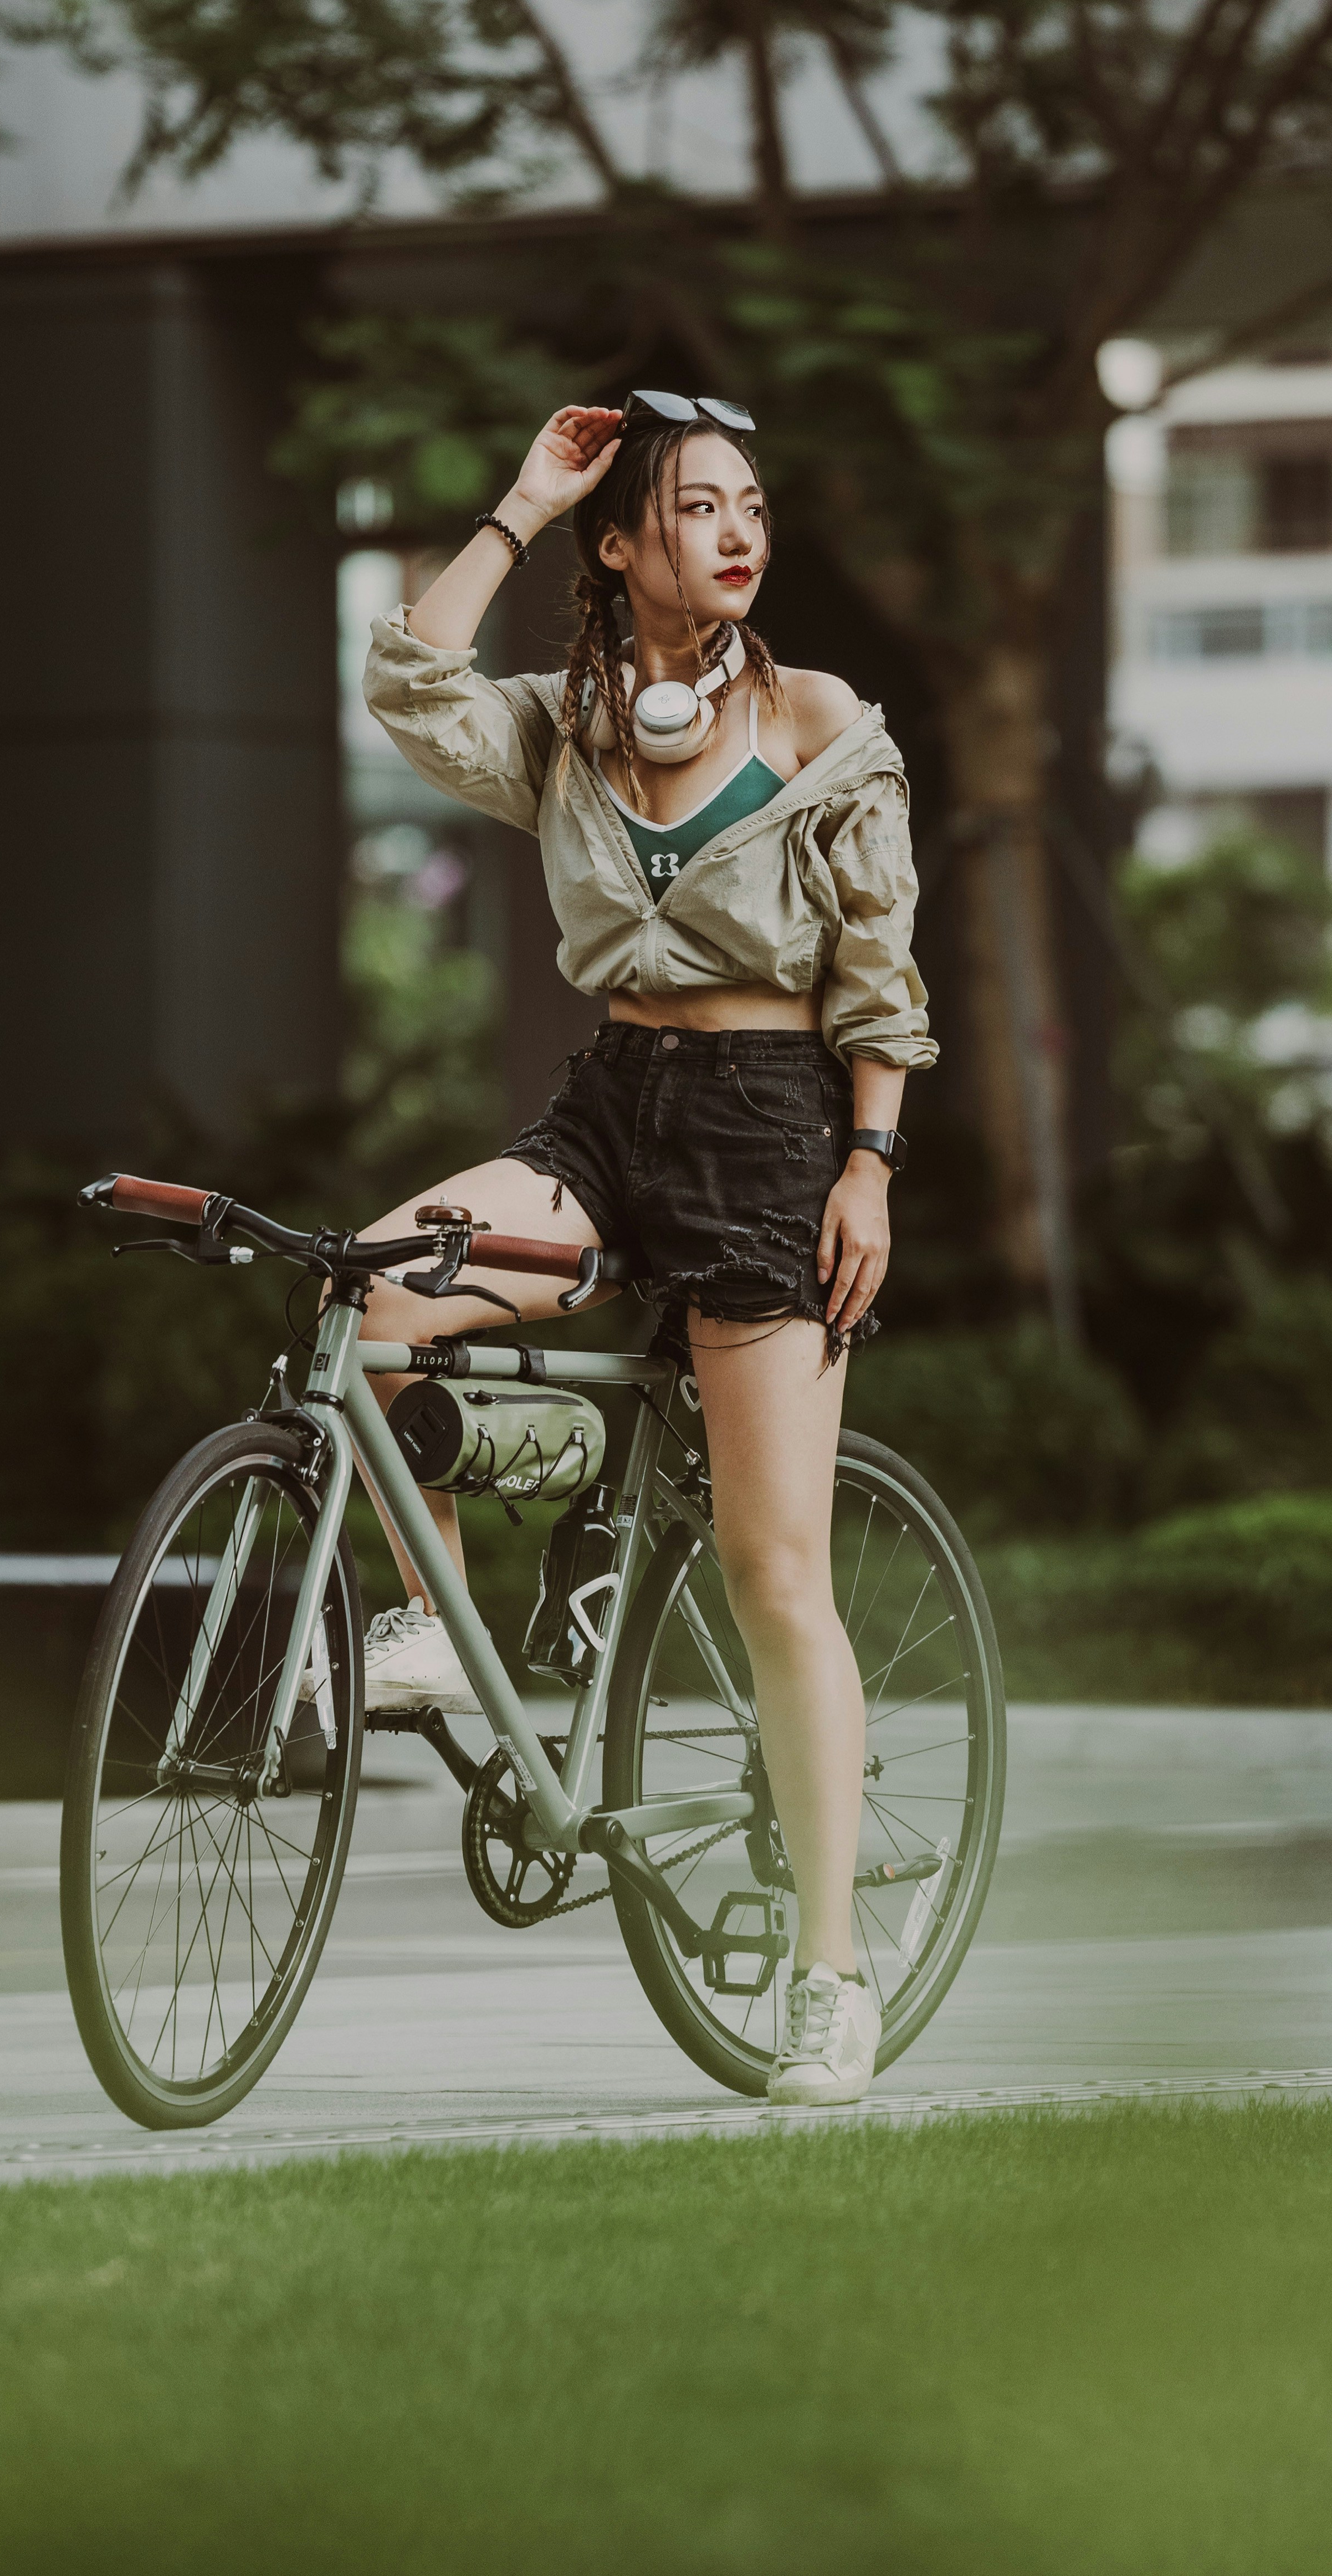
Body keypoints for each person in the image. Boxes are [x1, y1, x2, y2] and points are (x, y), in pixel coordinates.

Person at [354, 393, 936, 2104]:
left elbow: (882, 980)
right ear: (626, 545)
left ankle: (828, 1973)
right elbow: (404, 672)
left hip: (771, 1131)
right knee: (383, 1285)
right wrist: (527, 500)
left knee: (774, 1574)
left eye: (753, 505)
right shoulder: (562, 726)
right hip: (612, 1105)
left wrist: (871, 1169)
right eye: (696, 507)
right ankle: (436, 1623)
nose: (739, 532)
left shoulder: (820, 721)